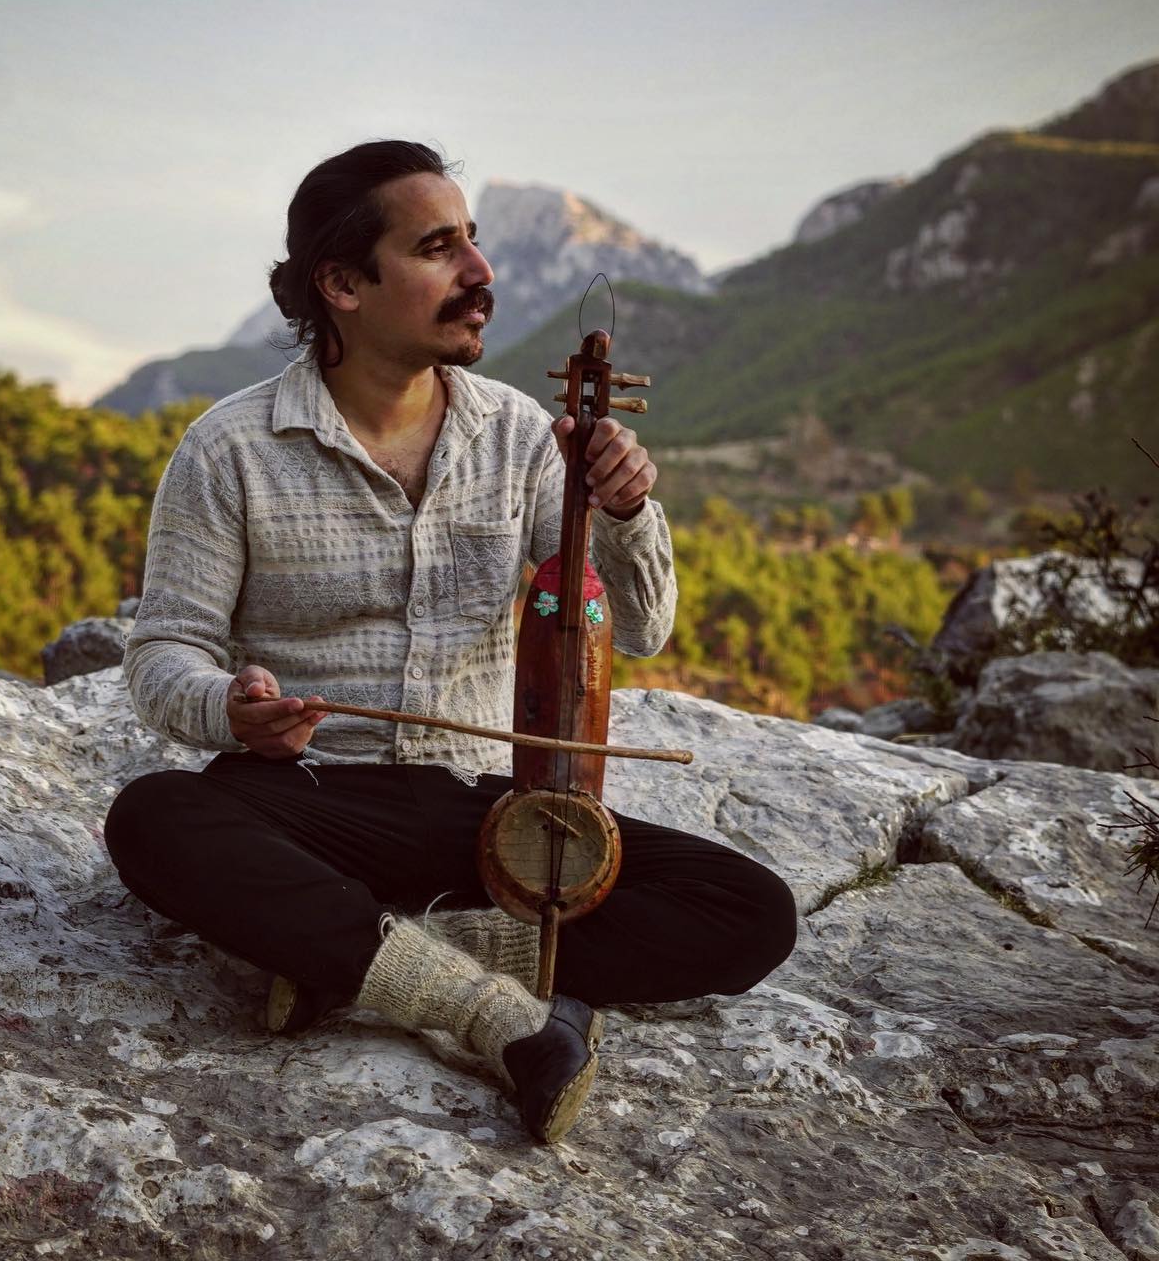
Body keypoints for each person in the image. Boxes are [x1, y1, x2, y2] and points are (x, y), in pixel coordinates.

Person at [103, 140, 796, 1144]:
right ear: (343, 284)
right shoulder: (229, 448)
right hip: (308, 803)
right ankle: (496, 1013)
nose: (482, 272)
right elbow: (163, 654)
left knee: (748, 909)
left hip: (485, 809)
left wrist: (626, 511)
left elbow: (642, 630)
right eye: (438, 249)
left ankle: (361, 958)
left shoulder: (520, 436)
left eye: (473, 240)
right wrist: (232, 708)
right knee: (154, 818)